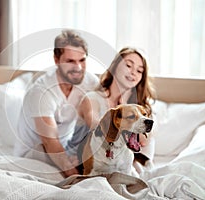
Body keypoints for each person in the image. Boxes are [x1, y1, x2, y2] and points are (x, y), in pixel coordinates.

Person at [13, 29, 99, 177]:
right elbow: (49, 141)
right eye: (70, 61)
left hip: (67, 147)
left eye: (82, 60)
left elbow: (101, 118)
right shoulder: (41, 91)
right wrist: (74, 175)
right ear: (56, 60)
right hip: (35, 151)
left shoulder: (90, 82)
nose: (78, 67)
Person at [72, 47, 156, 173]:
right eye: (128, 65)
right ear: (115, 66)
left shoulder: (141, 107)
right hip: (90, 160)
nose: (133, 72)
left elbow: (144, 141)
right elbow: (97, 126)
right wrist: (119, 113)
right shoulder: (92, 99)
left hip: (126, 162)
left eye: (139, 71)